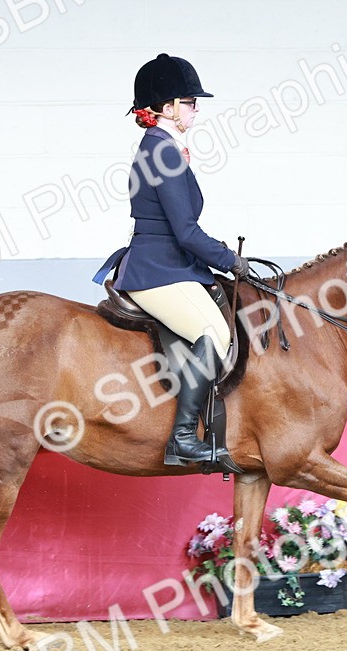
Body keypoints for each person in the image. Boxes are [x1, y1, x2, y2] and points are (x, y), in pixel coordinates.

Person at [116, 53, 250, 470]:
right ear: (168, 106)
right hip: (157, 270)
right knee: (215, 332)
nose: (196, 108)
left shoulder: (162, 147)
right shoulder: (163, 153)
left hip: (167, 263)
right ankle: (183, 438)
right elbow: (186, 232)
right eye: (190, 101)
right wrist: (231, 260)